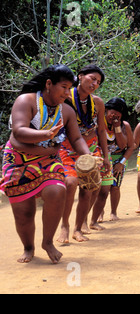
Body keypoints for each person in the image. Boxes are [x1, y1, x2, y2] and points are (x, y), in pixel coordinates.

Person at [0, 64, 91, 263]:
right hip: (18, 159)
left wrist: (88, 156)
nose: (68, 93)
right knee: (24, 212)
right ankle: (28, 247)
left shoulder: (66, 111)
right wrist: (45, 134)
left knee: (57, 190)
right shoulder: (26, 101)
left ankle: (47, 242)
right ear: (49, 84)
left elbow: (76, 139)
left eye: (70, 88)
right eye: (64, 87)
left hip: (48, 159)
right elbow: (19, 131)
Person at [57, 64, 112, 243]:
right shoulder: (65, 98)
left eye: (98, 82)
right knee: (71, 182)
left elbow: (102, 130)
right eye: (92, 78)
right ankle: (64, 225)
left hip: (92, 146)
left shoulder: (97, 102)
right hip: (67, 147)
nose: (95, 83)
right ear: (80, 76)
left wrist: (106, 155)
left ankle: (78, 228)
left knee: (89, 188)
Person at [90, 97, 134, 227]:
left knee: (115, 187)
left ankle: (113, 212)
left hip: (119, 158)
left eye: (118, 113)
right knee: (99, 188)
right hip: (100, 157)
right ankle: (99, 212)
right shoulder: (98, 122)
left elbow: (126, 146)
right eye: (112, 112)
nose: (114, 115)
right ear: (106, 110)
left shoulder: (124, 125)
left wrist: (117, 128)